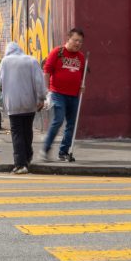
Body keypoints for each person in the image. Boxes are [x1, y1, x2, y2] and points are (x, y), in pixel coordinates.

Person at [0, 42, 46, 174]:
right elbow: (39, 81)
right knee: (27, 130)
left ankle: (20, 164)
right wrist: (41, 98)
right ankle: (28, 155)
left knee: (17, 133)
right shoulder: (31, 61)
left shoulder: (5, 62)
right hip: (29, 102)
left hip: (13, 104)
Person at [42, 28, 87, 162]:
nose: (78, 43)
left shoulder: (81, 57)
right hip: (57, 93)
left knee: (72, 124)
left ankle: (63, 152)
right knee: (59, 120)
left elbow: (81, 74)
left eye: (80, 41)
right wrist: (47, 91)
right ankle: (45, 148)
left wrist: (81, 85)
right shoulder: (58, 52)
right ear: (68, 39)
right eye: (75, 40)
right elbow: (47, 71)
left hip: (74, 95)